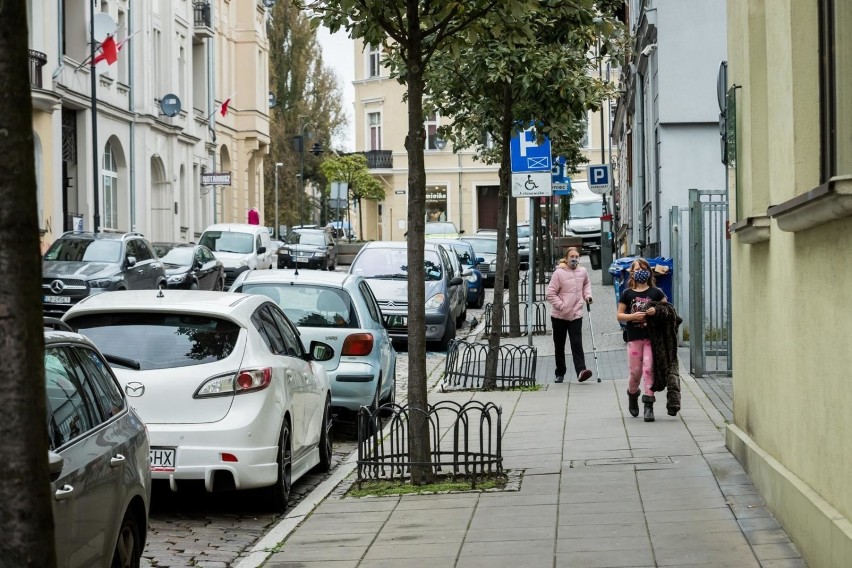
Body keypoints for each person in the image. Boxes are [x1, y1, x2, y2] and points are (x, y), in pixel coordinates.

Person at [617, 258, 668, 422]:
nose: (641, 272)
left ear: (649, 272)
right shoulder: (627, 293)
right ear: (632, 273)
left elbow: (667, 310)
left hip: (651, 337)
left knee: (648, 368)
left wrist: (656, 311)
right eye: (638, 269)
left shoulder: (656, 292)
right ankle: (632, 393)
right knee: (635, 371)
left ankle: (648, 405)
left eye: (644, 269)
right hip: (634, 338)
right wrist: (632, 316)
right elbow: (619, 315)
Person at [546, 247, 593, 383]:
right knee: (559, 345)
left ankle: (581, 371)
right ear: (566, 258)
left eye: (577, 256)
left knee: (576, 343)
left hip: (576, 314)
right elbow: (550, 294)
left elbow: (586, 285)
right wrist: (562, 306)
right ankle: (560, 372)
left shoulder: (582, 271)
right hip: (559, 316)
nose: (574, 259)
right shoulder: (558, 274)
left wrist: (588, 296)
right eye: (571, 256)